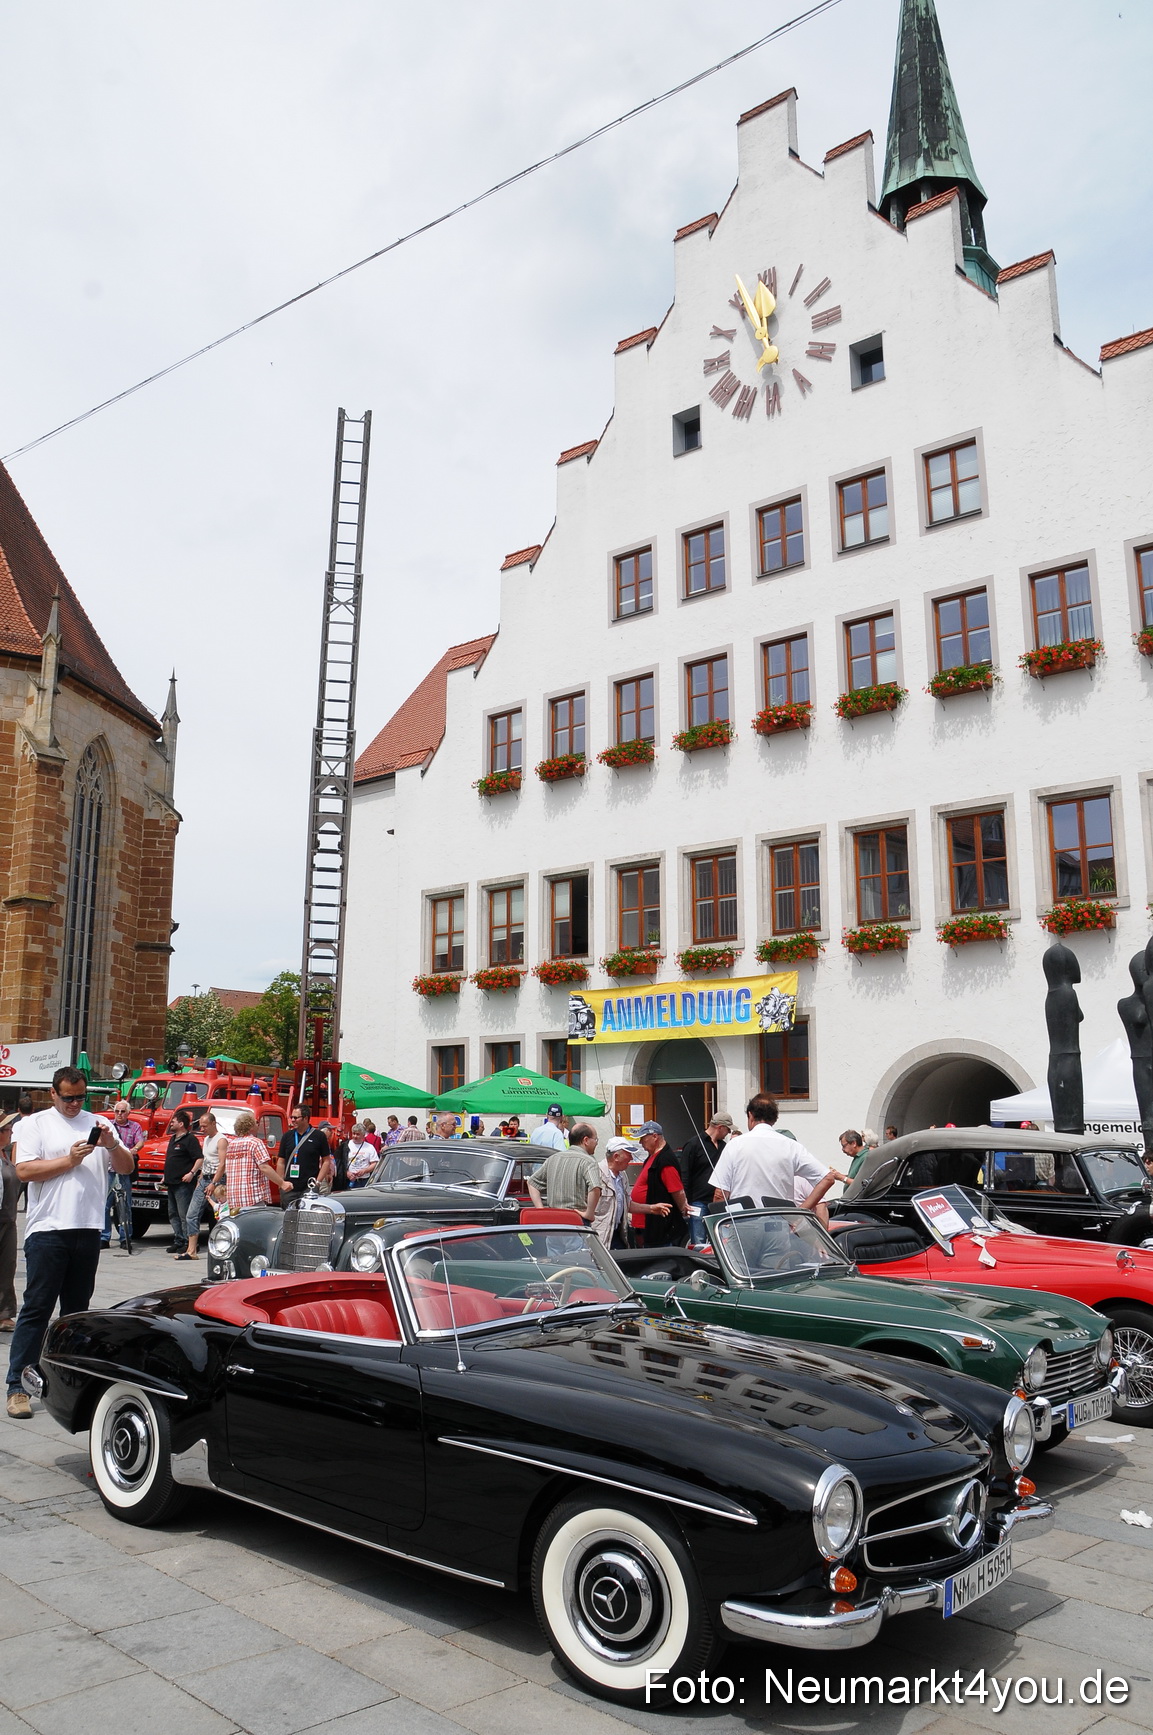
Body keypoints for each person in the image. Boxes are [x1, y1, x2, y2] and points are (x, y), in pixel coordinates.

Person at [5, 1065, 134, 1417]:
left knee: (78, 1311)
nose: (75, 1103)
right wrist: (69, 1160)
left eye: (81, 1097)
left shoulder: (97, 1122)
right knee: (37, 1307)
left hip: (88, 1228)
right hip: (48, 1228)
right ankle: (18, 1385)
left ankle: (71, 1383)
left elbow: (126, 1167)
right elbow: (24, 1171)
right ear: (53, 1093)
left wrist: (111, 1144)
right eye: (68, 1098)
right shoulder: (33, 1124)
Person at [711, 1095, 829, 1219]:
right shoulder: (791, 1146)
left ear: (750, 1116)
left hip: (743, 1221)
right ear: (774, 1119)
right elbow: (827, 1178)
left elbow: (720, 1194)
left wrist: (721, 1222)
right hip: (779, 1221)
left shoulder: (734, 1145)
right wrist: (800, 1212)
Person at [630, 1122, 689, 1248]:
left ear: (655, 1136)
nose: (640, 1143)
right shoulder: (652, 1157)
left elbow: (677, 1190)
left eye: (643, 1138)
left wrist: (683, 1208)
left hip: (660, 1227)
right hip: (647, 1224)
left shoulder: (665, 1159)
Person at [678, 1112, 732, 1246]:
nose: (728, 1133)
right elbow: (684, 1174)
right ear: (720, 1127)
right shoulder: (693, 1144)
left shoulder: (724, 1147)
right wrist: (684, 1201)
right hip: (698, 1202)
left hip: (719, 1201)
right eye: (728, 1129)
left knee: (722, 1242)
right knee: (699, 1241)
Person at [526, 1125, 600, 1217]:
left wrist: (541, 1210)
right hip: (575, 1219)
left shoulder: (553, 1158)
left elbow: (532, 1183)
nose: (597, 1144)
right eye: (596, 1140)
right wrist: (589, 1213)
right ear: (586, 1140)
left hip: (553, 1219)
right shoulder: (589, 1162)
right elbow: (595, 1188)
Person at [182, 1110, 225, 1260]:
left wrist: (214, 1183)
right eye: (200, 1126)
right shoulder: (207, 1139)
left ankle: (222, 1245)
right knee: (191, 1214)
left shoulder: (221, 1140)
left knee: (219, 1214)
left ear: (214, 1123)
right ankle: (191, 1249)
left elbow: (222, 1164)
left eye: (205, 1126)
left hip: (217, 1179)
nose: (202, 1129)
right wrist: (200, 1180)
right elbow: (205, 1161)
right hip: (204, 1178)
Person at [101, 1098, 143, 1250]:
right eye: (117, 1111)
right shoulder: (109, 1127)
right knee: (105, 1205)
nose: (119, 1114)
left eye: (122, 1111)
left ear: (128, 1113)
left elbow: (140, 1141)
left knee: (125, 1206)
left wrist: (134, 1150)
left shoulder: (134, 1126)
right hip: (110, 1171)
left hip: (124, 1171)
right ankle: (104, 1237)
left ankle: (125, 1237)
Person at [164, 1109, 202, 1256]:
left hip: (183, 1185)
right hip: (171, 1183)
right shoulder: (173, 1139)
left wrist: (191, 1173)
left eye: (173, 1121)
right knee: (173, 1214)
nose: (171, 1123)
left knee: (184, 1215)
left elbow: (199, 1158)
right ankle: (178, 1240)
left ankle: (189, 1243)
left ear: (181, 1124)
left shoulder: (190, 1140)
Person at [588, 1137, 636, 1249]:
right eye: (628, 1154)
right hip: (599, 1238)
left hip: (617, 1235)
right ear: (616, 1157)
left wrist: (652, 1209)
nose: (631, 1158)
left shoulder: (622, 1176)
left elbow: (628, 1205)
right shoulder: (596, 1173)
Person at [277, 1106, 331, 1198]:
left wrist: (318, 1182)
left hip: (309, 1187)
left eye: (296, 1117)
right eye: (292, 1117)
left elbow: (326, 1161)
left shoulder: (319, 1136)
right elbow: (281, 1161)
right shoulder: (287, 1136)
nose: (293, 1120)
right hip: (289, 1188)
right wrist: (280, 1183)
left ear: (305, 1118)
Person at [343, 1122, 378, 1187]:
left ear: (363, 1135)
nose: (355, 1136)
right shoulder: (346, 1145)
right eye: (353, 1134)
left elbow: (374, 1163)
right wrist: (347, 1172)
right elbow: (340, 1162)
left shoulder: (369, 1147)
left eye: (358, 1134)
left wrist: (365, 1171)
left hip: (364, 1180)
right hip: (349, 1180)